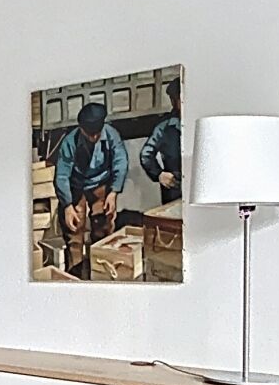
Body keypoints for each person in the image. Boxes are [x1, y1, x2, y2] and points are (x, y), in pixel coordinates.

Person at [53, 101, 128, 277]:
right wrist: (68, 206)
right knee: (74, 228)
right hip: (76, 185)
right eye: (89, 134)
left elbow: (121, 162)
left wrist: (113, 193)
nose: (94, 138)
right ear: (81, 128)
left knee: (103, 224)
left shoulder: (111, 135)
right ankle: (75, 274)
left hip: (100, 183)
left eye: (97, 134)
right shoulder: (69, 142)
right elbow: (62, 176)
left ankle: (101, 271)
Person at [139, 79, 185, 203]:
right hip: (174, 185)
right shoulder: (164, 127)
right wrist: (159, 174)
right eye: (174, 99)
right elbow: (146, 154)